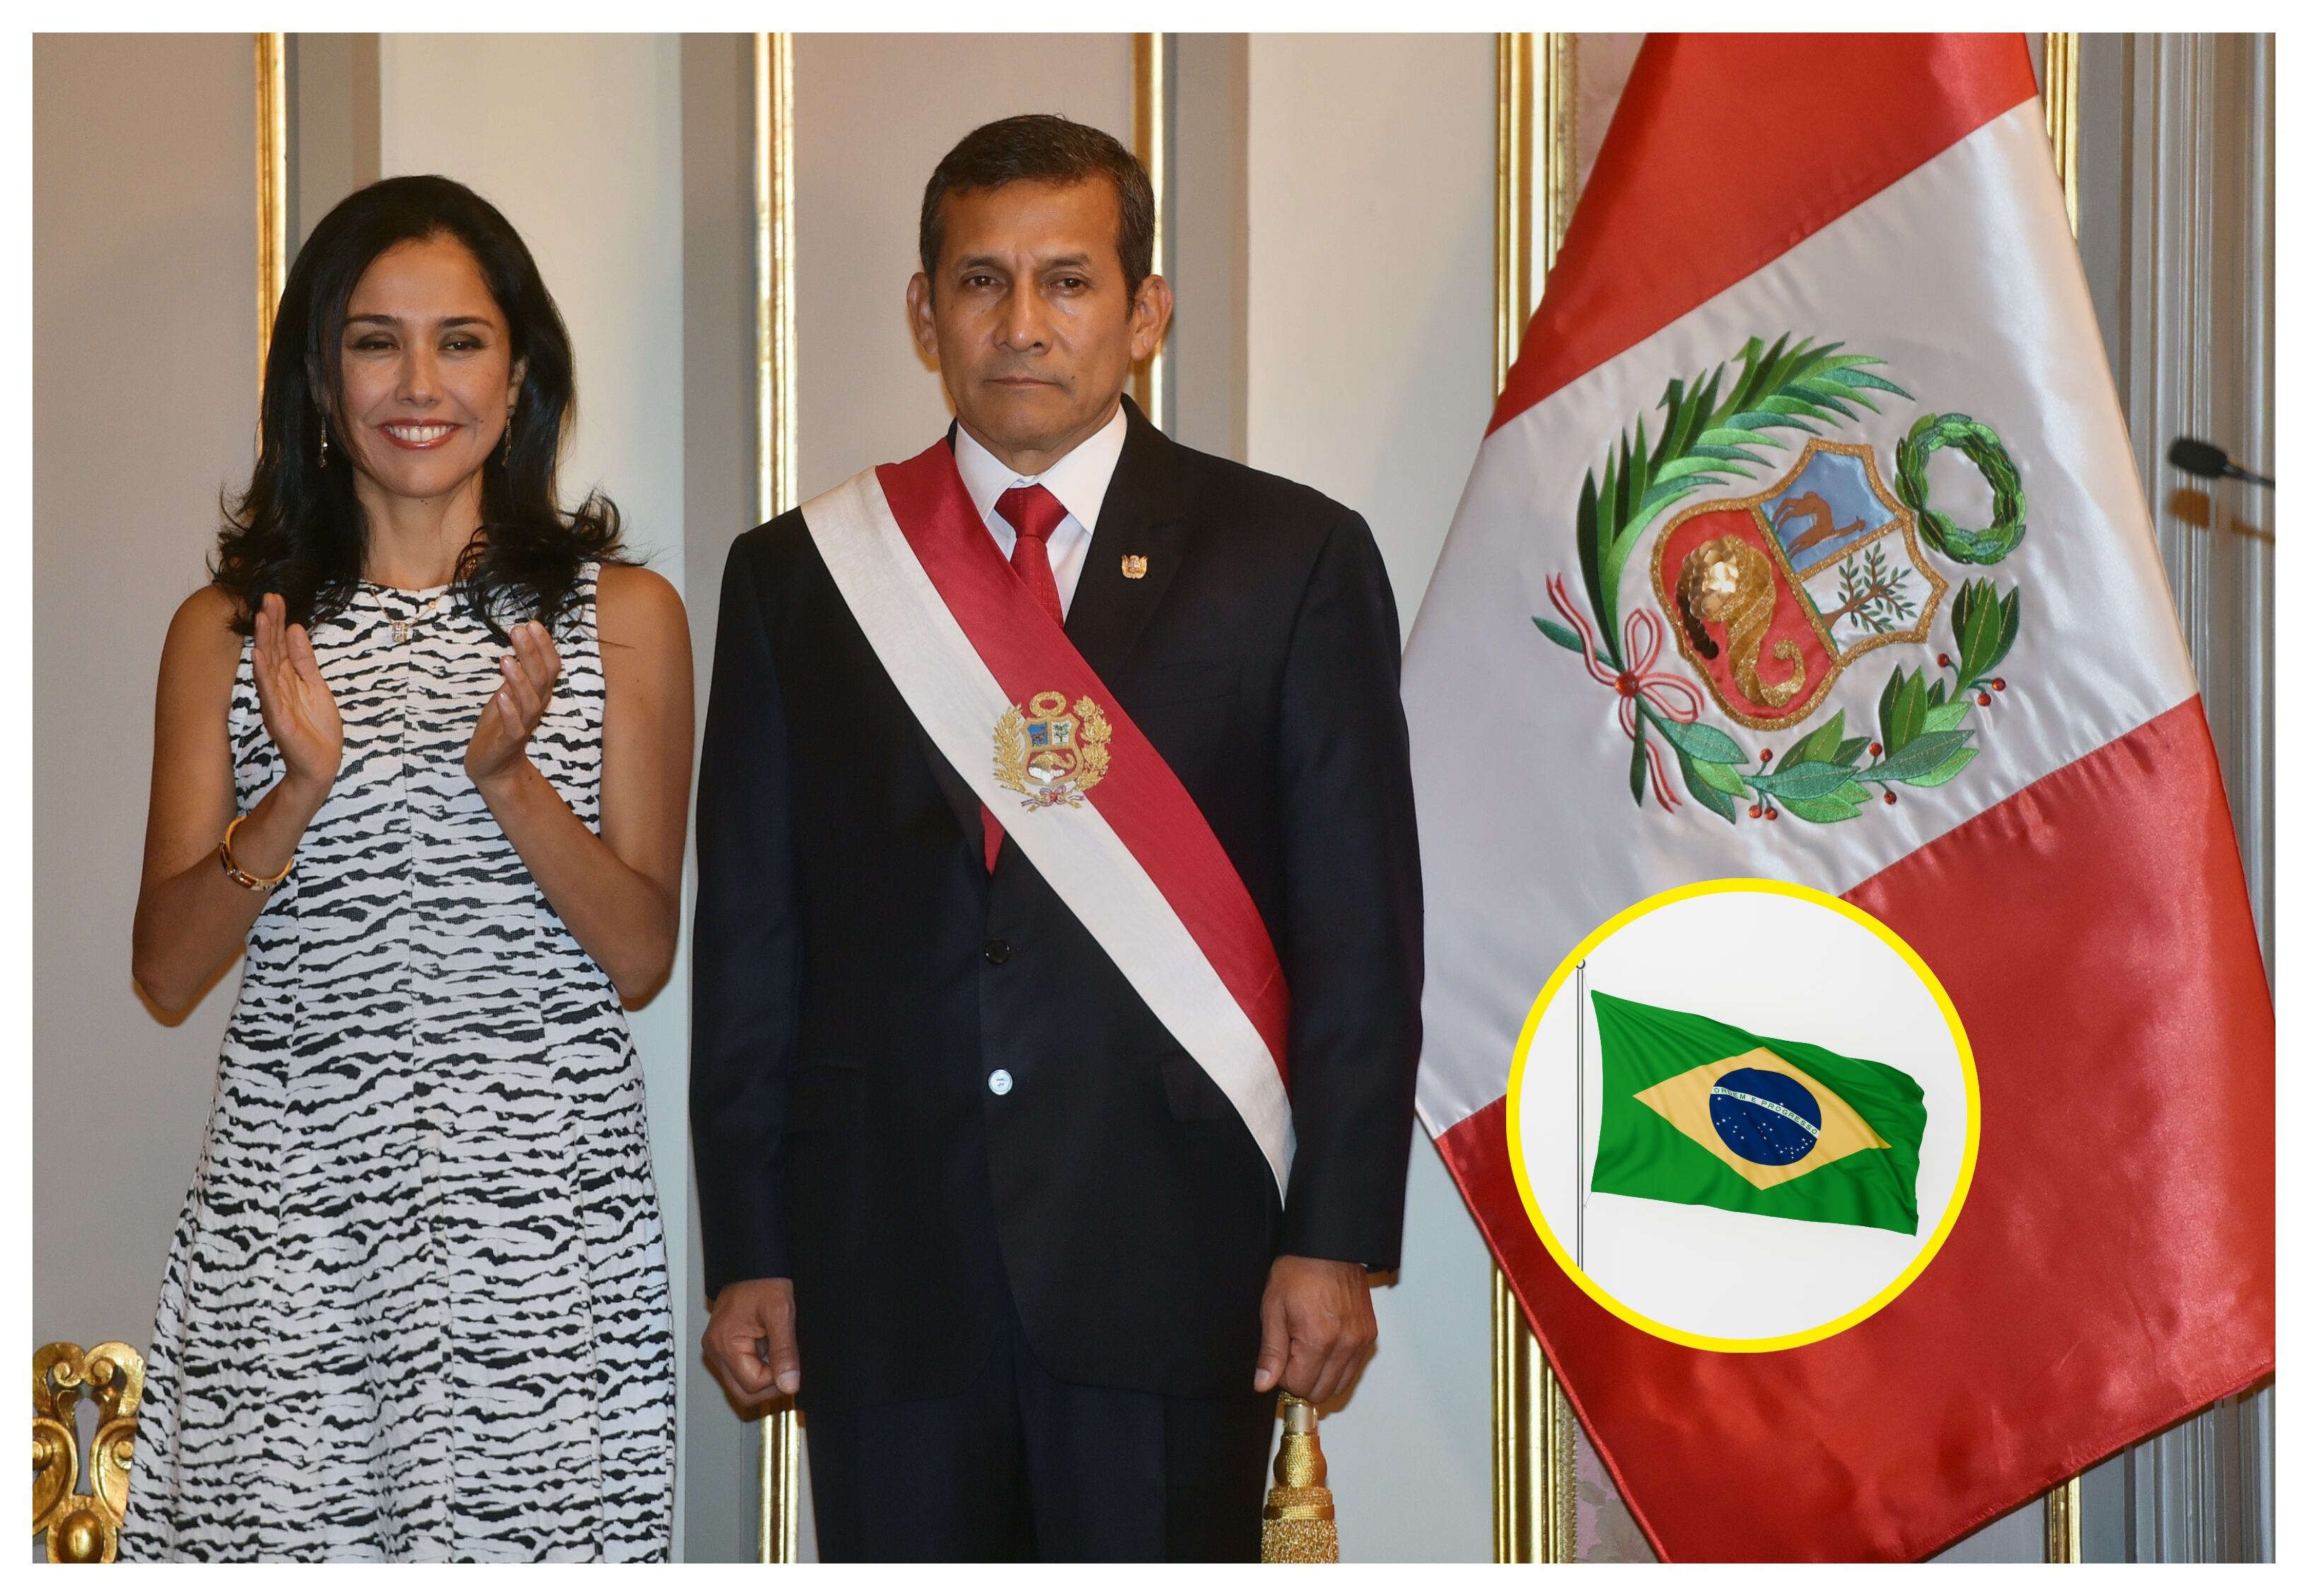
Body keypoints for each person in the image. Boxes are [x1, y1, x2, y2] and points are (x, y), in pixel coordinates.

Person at [692, 115, 1423, 1562]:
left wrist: (1333, 1233)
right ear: (923, 311)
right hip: (884, 1254)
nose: (1022, 324)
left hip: (1174, 1252)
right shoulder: (798, 578)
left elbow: (1362, 932)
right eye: (980, 281)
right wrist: (753, 1245)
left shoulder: (1290, 558)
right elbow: (752, 943)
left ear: (1144, 313)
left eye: (1069, 281)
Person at [120, 175, 690, 1562]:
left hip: (539, 1248)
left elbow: (640, 955)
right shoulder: (231, 632)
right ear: (320, 378)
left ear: (523, 371)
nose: (417, 382)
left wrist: (508, 783)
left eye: (461, 339)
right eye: (376, 341)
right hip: (295, 1236)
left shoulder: (621, 620)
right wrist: (295, 793)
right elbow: (166, 971)